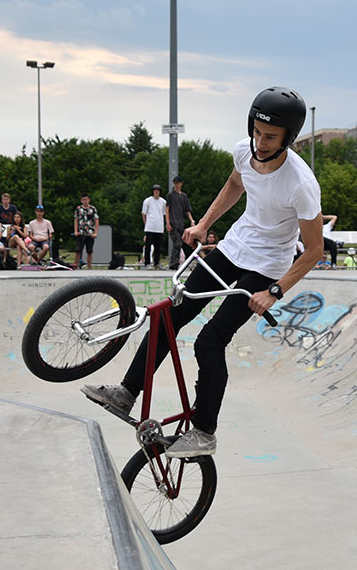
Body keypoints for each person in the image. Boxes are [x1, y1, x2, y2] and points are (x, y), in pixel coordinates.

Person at [82, 86, 323, 458]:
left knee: (209, 341)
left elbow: (314, 251)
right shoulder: (244, 152)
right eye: (256, 131)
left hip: (267, 267)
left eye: (270, 136)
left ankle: (204, 432)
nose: (260, 142)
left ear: (289, 138)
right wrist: (203, 224)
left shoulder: (302, 184)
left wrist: (275, 291)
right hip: (232, 249)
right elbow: (234, 185)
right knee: (168, 317)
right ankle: (126, 393)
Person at [166, 176, 196, 269]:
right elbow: (167, 209)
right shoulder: (170, 195)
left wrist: (192, 220)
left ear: (181, 183)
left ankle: (178, 262)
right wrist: (168, 223)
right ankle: (173, 263)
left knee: (182, 243)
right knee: (177, 243)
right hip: (173, 223)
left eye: (178, 183)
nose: (176, 184)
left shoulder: (184, 196)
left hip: (180, 224)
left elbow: (187, 210)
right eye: (175, 183)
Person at [141, 184, 169, 269]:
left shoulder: (163, 202)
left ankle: (157, 263)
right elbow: (144, 213)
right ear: (153, 191)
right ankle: (147, 263)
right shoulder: (148, 200)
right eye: (155, 190)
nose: (156, 192)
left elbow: (165, 213)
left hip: (159, 227)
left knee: (158, 247)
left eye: (158, 190)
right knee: (148, 246)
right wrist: (146, 223)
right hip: (150, 227)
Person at [73, 193, 99, 269]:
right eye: (83, 200)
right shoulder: (78, 209)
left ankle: (89, 267)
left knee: (89, 251)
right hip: (81, 232)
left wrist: (95, 232)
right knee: (78, 250)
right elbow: (76, 220)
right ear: (81, 200)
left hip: (90, 233)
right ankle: (76, 266)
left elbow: (96, 220)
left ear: (89, 200)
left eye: (86, 200)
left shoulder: (93, 209)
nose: (85, 201)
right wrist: (75, 231)